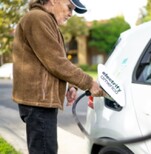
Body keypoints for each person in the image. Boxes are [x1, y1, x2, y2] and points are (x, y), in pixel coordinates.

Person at [12, 0, 104, 153]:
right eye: (69, 8)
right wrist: (89, 83)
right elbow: (56, 62)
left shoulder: (44, 20)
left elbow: (51, 62)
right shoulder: (37, 18)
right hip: (39, 104)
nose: (71, 14)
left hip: (40, 103)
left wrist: (71, 84)